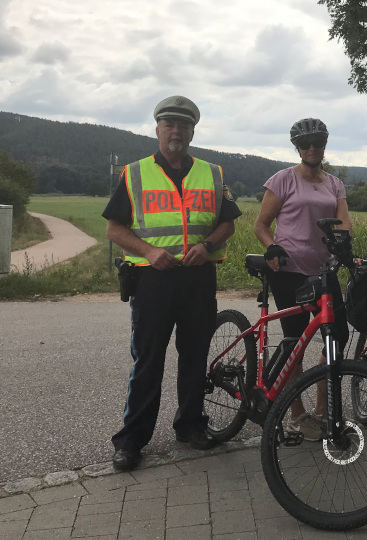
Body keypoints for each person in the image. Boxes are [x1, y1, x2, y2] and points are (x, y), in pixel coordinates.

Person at [103, 95, 242, 471]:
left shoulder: (212, 173)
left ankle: (190, 426)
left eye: (183, 125)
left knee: (195, 358)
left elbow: (228, 222)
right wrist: (148, 252)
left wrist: (209, 244)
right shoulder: (134, 174)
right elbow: (114, 227)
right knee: (148, 361)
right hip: (153, 279)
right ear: (158, 129)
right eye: (169, 124)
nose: (176, 131)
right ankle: (131, 440)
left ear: (193, 131)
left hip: (198, 278)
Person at [254, 118, 351, 440]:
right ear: (297, 147)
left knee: (335, 336)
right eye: (306, 144)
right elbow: (261, 225)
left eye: (318, 143)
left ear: (324, 145)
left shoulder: (334, 183)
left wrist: (347, 251)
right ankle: (296, 415)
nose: (312, 149)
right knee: (295, 343)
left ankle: (321, 411)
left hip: (324, 270)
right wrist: (272, 248)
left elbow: (344, 224)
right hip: (290, 269)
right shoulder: (282, 180)